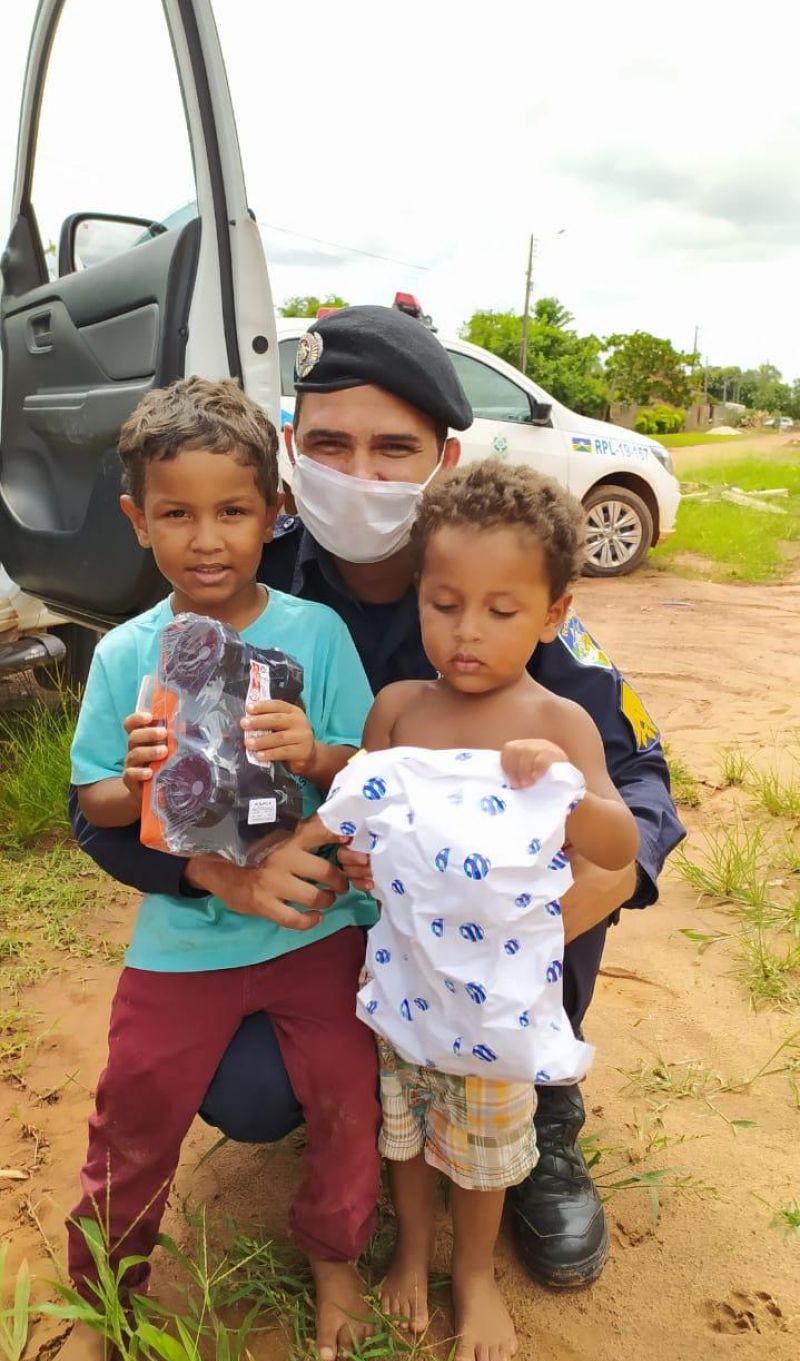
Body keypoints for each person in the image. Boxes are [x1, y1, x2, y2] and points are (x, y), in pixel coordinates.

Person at [69, 305, 685, 1293]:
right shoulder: (239, 579)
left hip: (485, 946)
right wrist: (209, 870)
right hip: (323, 928)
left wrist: (524, 927)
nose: (359, 472)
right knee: (251, 1092)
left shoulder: (496, 580)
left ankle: (536, 1098)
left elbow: (638, 786)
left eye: (392, 447)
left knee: (554, 828)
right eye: (329, 443)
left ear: (441, 456)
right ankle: (363, 1090)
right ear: (288, 451)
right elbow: (104, 799)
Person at [49, 378, 382, 1361]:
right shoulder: (122, 652)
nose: (206, 539)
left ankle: (333, 1253)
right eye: (177, 512)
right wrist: (138, 777)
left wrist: (315, 748)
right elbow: (91, 796)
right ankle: (102, 1300)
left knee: (344, 1096)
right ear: (136, 519)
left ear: (273, 513)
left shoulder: (316, 634)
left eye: (233, 509)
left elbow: (364, 774)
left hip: (308, 925)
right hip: (181, 942)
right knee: (133, 1113)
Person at [316, 460, 640, 1361]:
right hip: (405, 990)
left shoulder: (560, 720)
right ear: (419, 593)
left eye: (502, 611)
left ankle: (476, 1275)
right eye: (444, 602)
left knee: (490, 1154)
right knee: (408, 1136)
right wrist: (357, 857)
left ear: (553, 611)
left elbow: (614, 846)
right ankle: (413, 1253)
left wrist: (567, 789)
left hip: (498, 1006)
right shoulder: (399, 711)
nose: (466, 632)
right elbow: (361, 829)